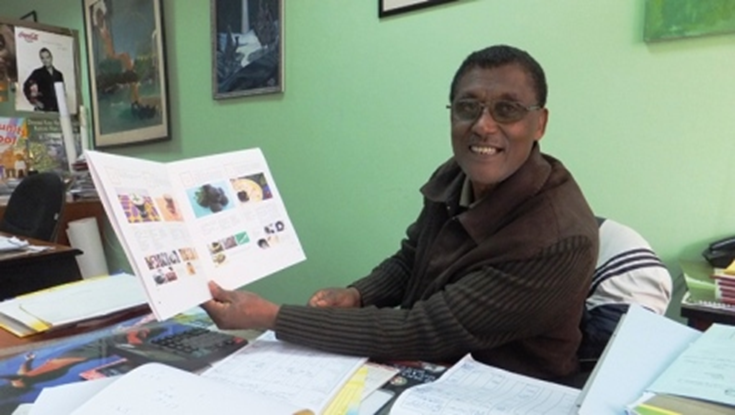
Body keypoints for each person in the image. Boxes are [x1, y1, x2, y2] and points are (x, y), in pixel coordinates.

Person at [202, 45, 599, 382]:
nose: (483, 126)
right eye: (468, 107)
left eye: (507, 110)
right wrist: (360, 293)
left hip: (505, 390)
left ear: (540, 123)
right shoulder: (457, 174)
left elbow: (426, 330)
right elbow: (412, 259)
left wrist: (271, 316)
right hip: (430, 369)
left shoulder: (559, 239)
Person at [22, 47, 64, 112]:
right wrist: (35, 101)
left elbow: (62, 93)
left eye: (47, 57)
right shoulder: (37, 73)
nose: (45, 60)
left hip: (56, 110)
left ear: (51, 57)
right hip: (42, 110)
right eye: (42, 58)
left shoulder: (58, 74)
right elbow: (26, 86)